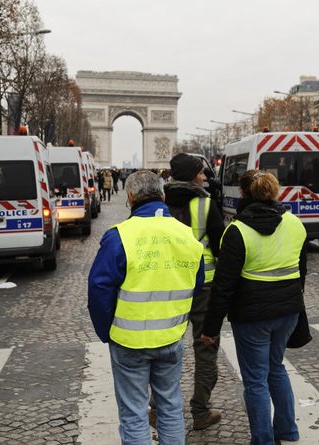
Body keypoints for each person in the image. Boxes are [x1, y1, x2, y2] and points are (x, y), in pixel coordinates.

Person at [87, 170, 205, 445]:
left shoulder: (119, 236)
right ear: (163, 195)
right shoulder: (187, 236)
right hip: (171, 337)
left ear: (130, 197)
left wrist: (108, 332)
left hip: (128, 341)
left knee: (134, 415)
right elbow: (196, 285)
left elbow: (99, 291)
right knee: (171, 408)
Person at [202, 171, 307, 445]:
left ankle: (263, 439)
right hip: (288, 312)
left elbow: (224, 285)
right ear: (276, 192)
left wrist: (210, 328)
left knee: (256, 380)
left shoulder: (236, 231)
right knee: (276, 368)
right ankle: (287, 430)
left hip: (252, 317)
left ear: (244, 193)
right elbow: (301, 272)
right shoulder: (295, 223)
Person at [147, 154, 225, 430]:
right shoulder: (206, 204)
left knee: (165, 346)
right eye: (202, 173)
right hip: (203, 285)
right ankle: (201, 411)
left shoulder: (159, 204)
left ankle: (157, 409)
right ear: (193, 176)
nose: (205, 176)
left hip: (168, 282)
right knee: (205, 346)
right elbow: (220, 247)